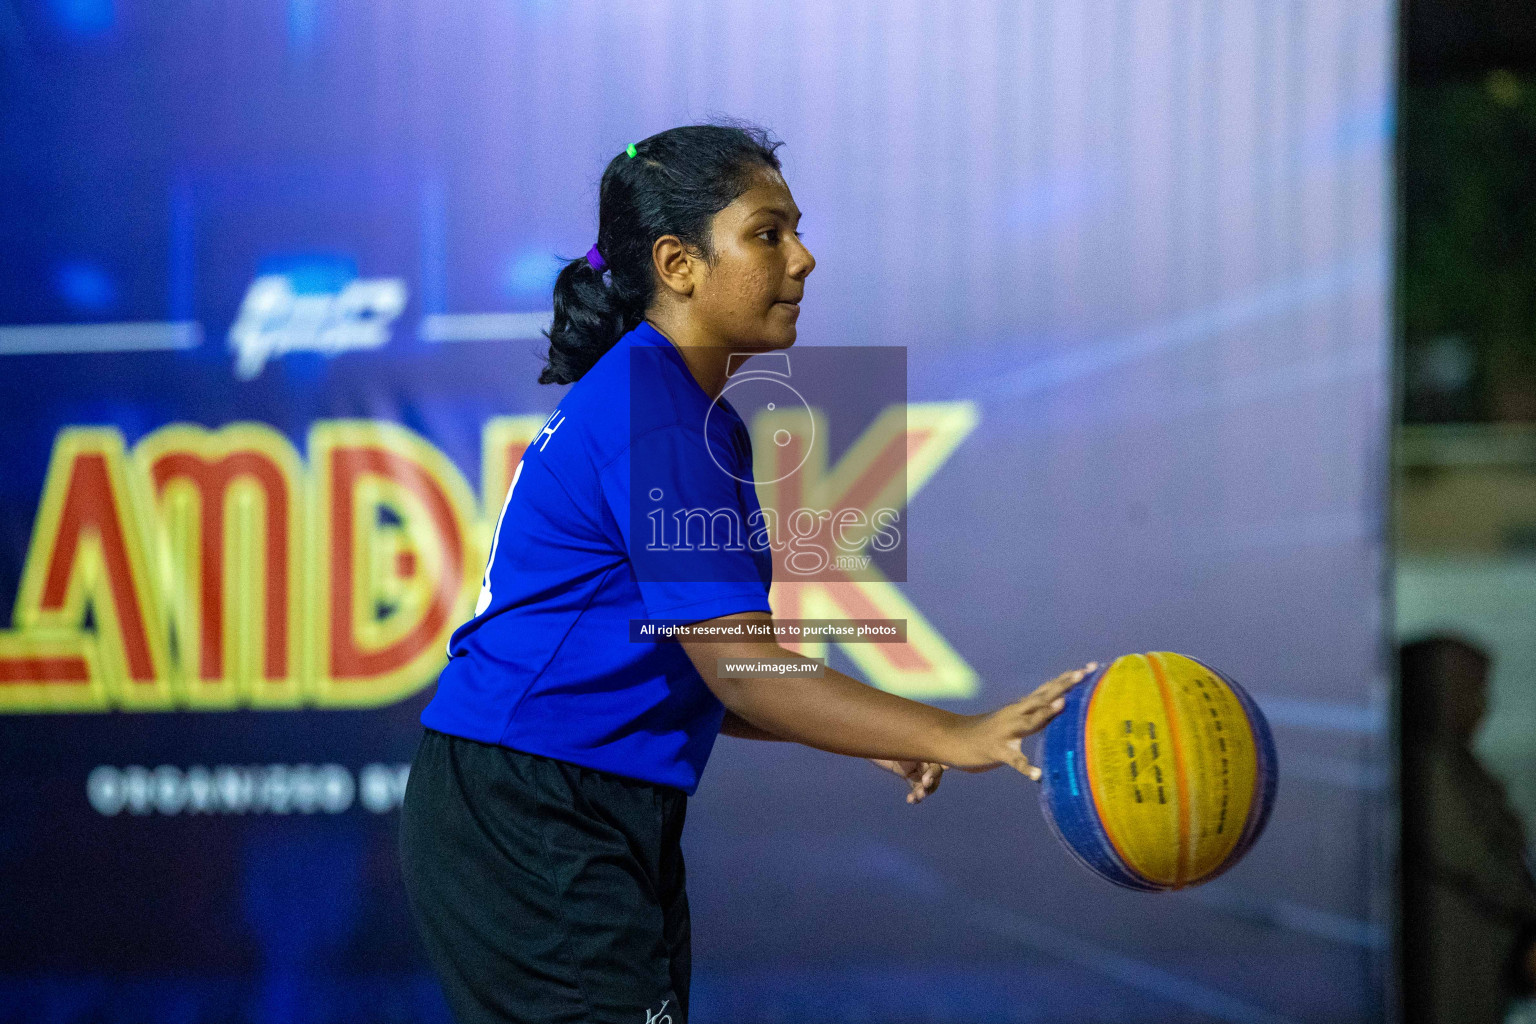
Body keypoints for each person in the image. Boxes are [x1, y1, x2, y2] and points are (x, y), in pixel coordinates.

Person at [398, 123, 1092, 1024]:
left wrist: (868, 729)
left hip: (564, 802)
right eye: (769, 233)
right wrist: (951, 733)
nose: (803, 258)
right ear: (678, 264)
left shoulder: (684, 409)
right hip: (536, 810)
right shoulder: (660, 416)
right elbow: (740, 672)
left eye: (796, 230)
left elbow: (697, 667)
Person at [1400, 635, 1536, 1024]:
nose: (1482, 709)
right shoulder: (1430, 770)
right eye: (1472, 693)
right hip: (1452, 966)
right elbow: (1472, 858)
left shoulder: (1456, 765)